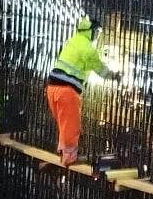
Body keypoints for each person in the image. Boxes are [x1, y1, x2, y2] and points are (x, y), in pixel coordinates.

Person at [45, 15, 118, 167]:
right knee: (72, 126)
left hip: (52, 88)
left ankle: (63, 152)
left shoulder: (72, 41)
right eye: (97, 33)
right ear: (91, 32)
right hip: (67, 91)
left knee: (63, 124)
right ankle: (69, 158)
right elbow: (101, 70)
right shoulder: (88, 49)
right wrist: (115, 76)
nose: (97, 37)